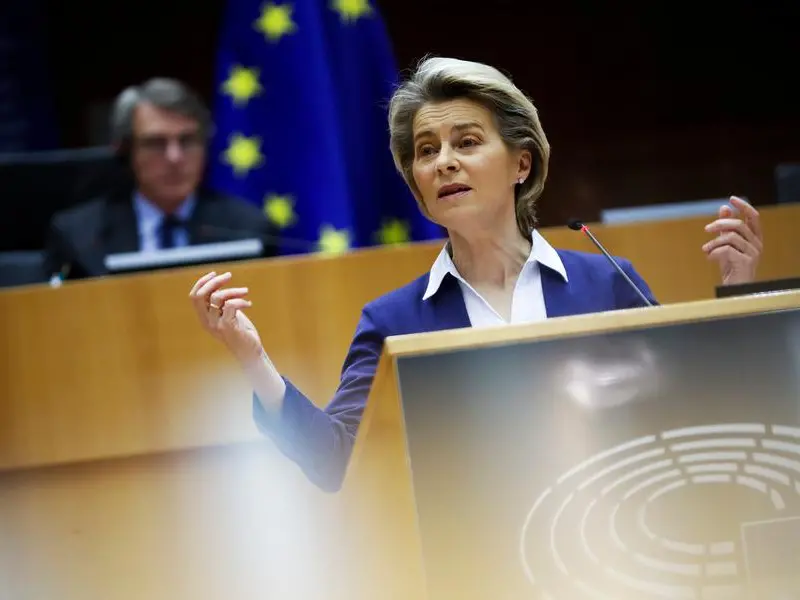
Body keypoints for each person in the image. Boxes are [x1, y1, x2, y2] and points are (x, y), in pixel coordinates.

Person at [188, 57, 764, 492]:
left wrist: (738, 294)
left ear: (521, 163)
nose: (444, 162)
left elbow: (694, 417)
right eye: (426, 151)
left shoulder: (608, 282)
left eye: (466, 142)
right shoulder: (394, 320)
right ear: (418, 186)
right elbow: (333, 461)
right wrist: (251, 357)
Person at [44, 78, 277, 280]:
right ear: (126, 150)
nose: (174, 157)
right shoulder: (79, 235)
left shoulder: (249, 228)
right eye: (155, 143)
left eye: (187, 141)